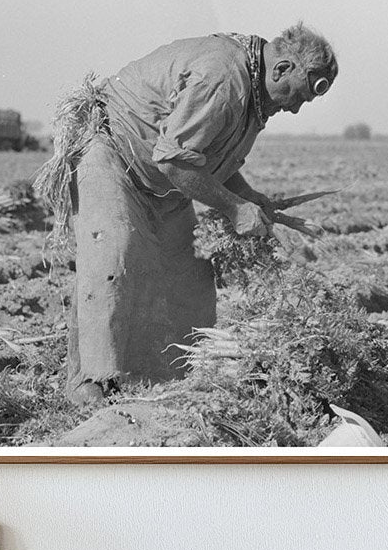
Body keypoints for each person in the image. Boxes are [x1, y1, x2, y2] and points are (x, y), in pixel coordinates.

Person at [40, 23, 338, 404]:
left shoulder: (254, 91)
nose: (295, 108)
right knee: (114, 256)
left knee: (191, 274)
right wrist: (234, 209)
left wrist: (249, 197)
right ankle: (92, 386)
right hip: (111, 154)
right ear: (281, 70)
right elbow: (176, 162)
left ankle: (165, 381)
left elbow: (209, 155)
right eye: (298, 97)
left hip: (161, 175)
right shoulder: (223, 79)